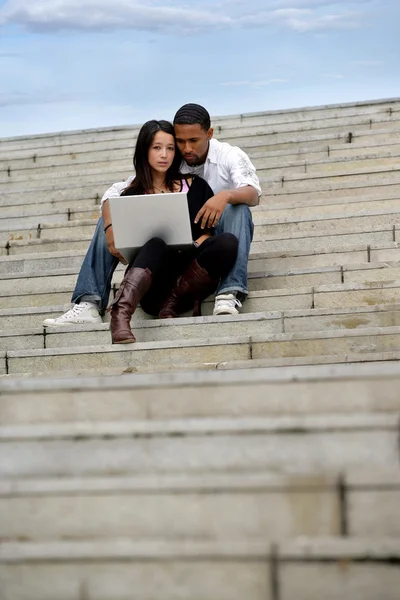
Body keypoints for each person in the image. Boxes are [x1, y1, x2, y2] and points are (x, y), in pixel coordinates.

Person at [43, 104, 260, 327]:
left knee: (239, 208)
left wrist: (225, 196)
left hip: (214, 235)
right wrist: (110, 228)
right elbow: (115, 192)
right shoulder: (171, 159)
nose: (185, 148)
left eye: (193, 141)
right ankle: (88, 302)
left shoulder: (228, 156)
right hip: (160, 252)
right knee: (113, 214)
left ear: (209, 134)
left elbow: (253, 193)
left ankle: (230, 291)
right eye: (179, 142)